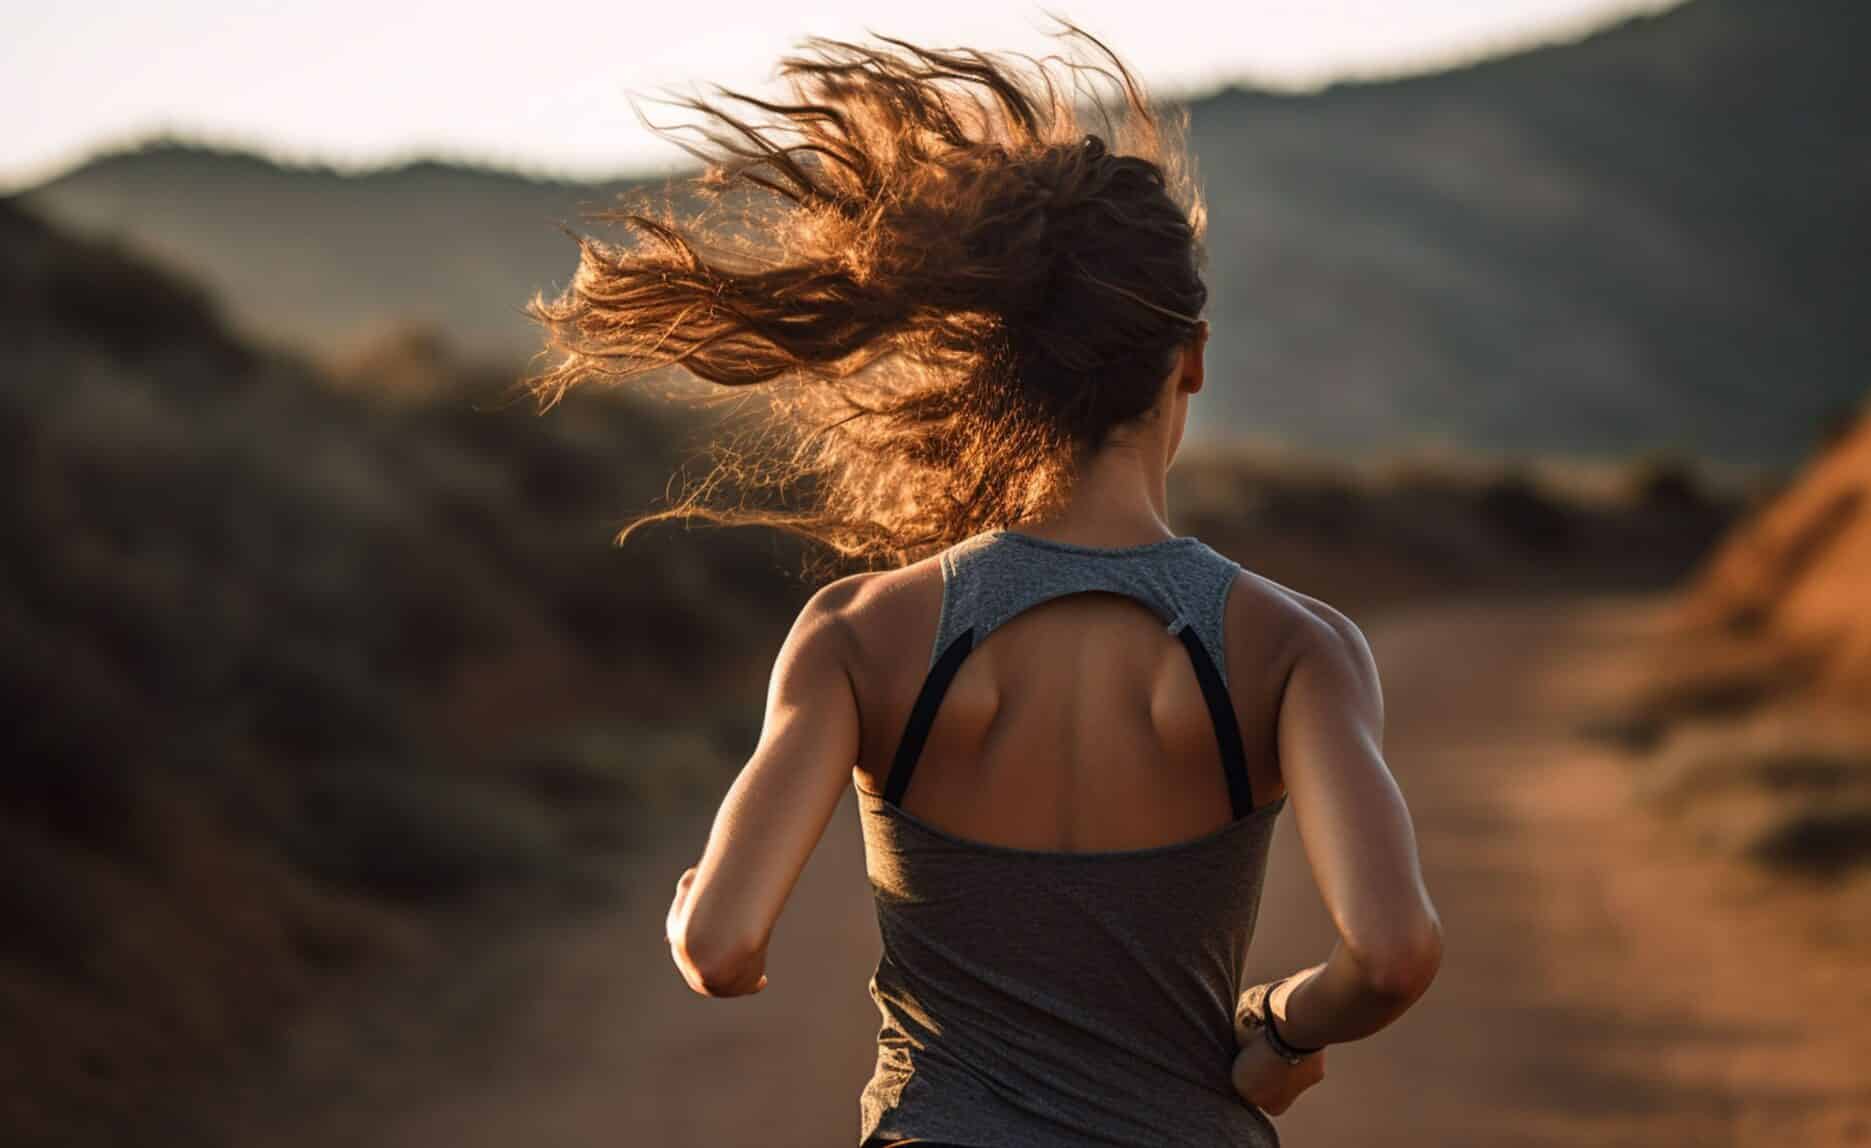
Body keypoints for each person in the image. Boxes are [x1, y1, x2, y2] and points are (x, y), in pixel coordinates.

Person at [527, 21, 1442, 1146]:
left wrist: (684, 918)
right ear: (1189, 358)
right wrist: (1281, 1030)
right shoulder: (1295, 646)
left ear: (991, 364)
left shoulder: (857, 633)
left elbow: (722, 949)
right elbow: (1391, 954)